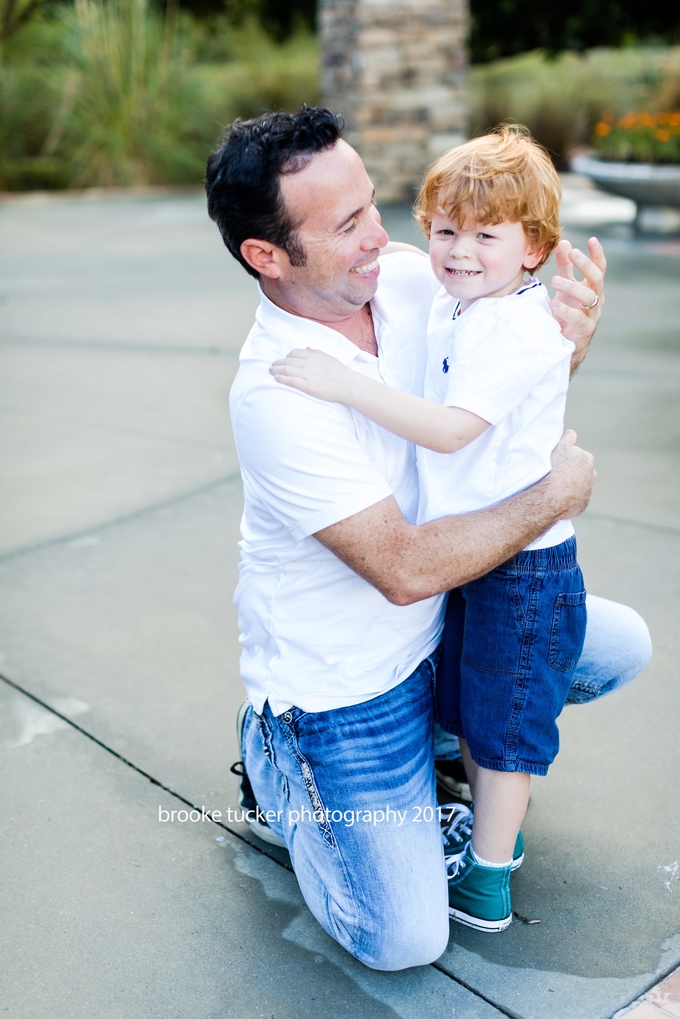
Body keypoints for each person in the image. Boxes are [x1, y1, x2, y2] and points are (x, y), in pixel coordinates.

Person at [204, 106, 651, 971]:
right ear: (268, 255)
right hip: (347, 692)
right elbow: (404, 570)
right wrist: (555, 495)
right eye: (346, 225)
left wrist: (568, 344)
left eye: (374, 204)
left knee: (616, 644)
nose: (385, 237)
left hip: (448, 623)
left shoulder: (415, 278)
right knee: (403, 938)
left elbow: (498, 400)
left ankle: (439, 749)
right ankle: (277, 765)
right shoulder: (276, 393)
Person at [270, 126, 590, 934]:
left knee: (507, 721)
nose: (459, 250)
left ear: (534, 249)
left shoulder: (514, 323)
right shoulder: (458, 303)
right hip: (474, 557)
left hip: (522, 567)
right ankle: (476, 823)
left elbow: (451, 430)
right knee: (480, 705)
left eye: (488, 234)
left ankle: (486, 876)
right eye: (445, 229)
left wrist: (344, 385)